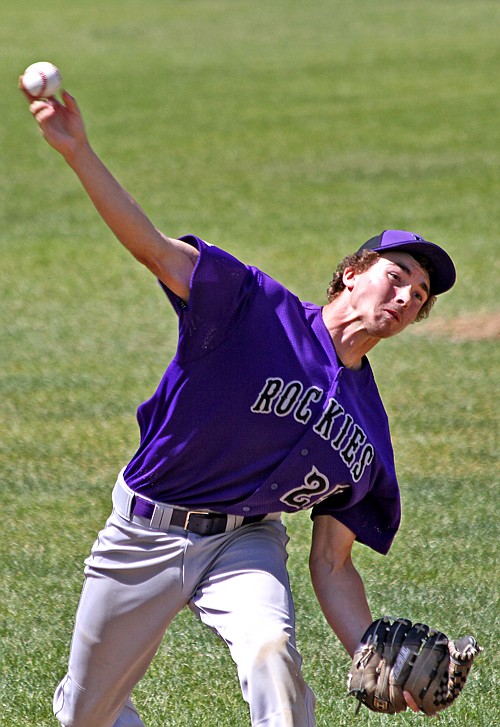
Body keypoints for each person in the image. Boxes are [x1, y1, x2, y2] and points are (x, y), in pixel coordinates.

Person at [25, 90, 456, 727]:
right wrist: (78, 151)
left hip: (244, 542)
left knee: (271, 650)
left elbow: (333, 563)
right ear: (351, 274)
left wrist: (376, 658)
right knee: (87, 715)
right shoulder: (251, 307)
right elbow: (150, 246)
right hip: (143, 530)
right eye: (396, 275)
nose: (406, 296)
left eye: (419, 296)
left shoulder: (368, 428)